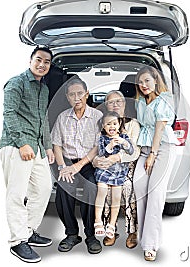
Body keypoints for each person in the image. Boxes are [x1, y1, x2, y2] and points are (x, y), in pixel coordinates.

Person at [0, 46, 55, 263]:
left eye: (47, 62)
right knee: (16, 193)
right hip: (16, 146)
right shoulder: (16, 83)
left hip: (38, 147)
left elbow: (44, 120)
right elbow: (9, 114)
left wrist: (48, 146)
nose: (42, 65)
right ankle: (17, 242)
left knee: (43, 189)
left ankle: (29, 231)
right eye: (38, 60)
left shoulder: (44, 89)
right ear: (31, 60)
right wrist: (22, 143)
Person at [51, 77, 103, 254]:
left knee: (91, 188)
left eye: (80, 93)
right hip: (67, 163)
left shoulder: (97, 116)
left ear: (87, 94)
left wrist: (79, 166)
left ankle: (91, 235)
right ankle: (72, 234)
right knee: (63, 189)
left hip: (88, 164)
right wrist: (61, 167)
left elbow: (98, 147)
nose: (77, 98)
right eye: (72, 95)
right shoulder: (62, 117)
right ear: (67, 97)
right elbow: (56, 144)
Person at [133, 66, 180, 261]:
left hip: (162, 148)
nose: (143, 85)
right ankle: (142, 235)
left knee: (155, 193)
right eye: (140, 82)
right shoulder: (140, 102)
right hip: (145, 148)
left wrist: (152, 154)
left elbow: (160, 129)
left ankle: (151, 245)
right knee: (139, 186)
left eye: (147, 81)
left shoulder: (164, 99)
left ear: (155, 81)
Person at [93, 90, 141, 248]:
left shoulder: (132, 124)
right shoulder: (104, 124)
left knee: (127, 187)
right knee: (104, 188)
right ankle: (109, 228)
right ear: (106, 106)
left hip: (127, 164)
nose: (114, 105)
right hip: (106, 165)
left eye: (118, 101)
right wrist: (97, 161)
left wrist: (116, 157)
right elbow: (96, 149)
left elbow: (135, 150)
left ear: (124, 104)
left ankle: (132, 230)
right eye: (110, 102)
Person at [93, 111, 134, 241]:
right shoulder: (102, 138)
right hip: (104, 171)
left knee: (116, 198)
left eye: (115, 123)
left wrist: (124, 142)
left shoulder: (123, 137)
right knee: (102, 191)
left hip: (118, 173)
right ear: (103, 126)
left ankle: (111, 224)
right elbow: (101, 154)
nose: (112, 126)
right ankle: (98, 220)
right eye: (108, 124)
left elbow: (131, 150)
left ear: (119, 124)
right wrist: (110, 146)